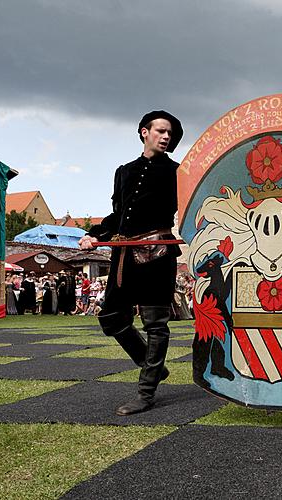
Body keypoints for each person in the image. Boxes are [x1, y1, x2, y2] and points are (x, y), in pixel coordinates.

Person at [79, 110, 182, 416]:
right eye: (161, 131)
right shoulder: (123, 171)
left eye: (170, 134)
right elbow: (118, 214)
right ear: (144, 132)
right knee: (110, 317)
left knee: (155, 324)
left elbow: (190, 207)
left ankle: (146, 392)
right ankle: (153, 366)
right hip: (124, 254)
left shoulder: (178, 172)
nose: (166, 137)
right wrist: (94, 234)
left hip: (158, 254)